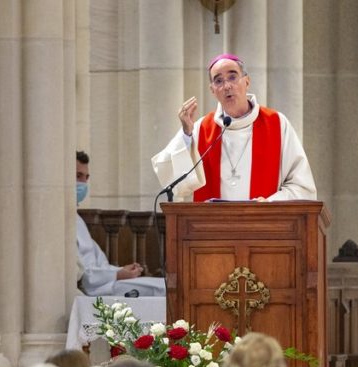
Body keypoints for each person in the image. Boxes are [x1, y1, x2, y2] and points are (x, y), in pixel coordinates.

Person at [152, 54, 316, 202]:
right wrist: (186, 134)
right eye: (218, 81)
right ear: (212, 90)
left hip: (263, 228)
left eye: (232, 77)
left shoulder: (277, 124)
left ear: (246, 81)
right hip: (211, 229)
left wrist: (268, 204)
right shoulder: (201, 129)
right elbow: (174, 184)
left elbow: (302, 187)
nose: (227, 86)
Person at [74, 151, 165, 297]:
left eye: (86, 178)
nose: (83, 183)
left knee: (164, 286)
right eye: (78, 176)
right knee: (161, 290)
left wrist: (120, 270)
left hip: (106, 281)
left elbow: (98, 263)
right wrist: (117, 274)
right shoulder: (62, 221)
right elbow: (84, 275)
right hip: (97, 289)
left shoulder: (76, 218)